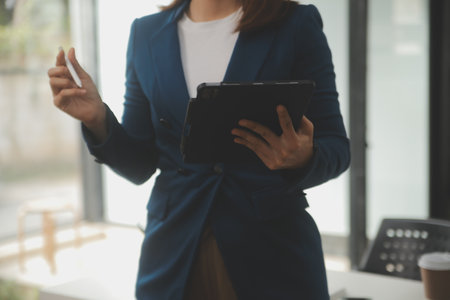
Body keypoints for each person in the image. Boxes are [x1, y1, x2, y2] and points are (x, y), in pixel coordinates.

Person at [48, 0, 350, 299]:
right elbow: (139, 165)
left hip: (273, 254)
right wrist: (97, 118)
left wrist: (303, 157)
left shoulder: (294, 22)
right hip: (172, 253)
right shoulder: (145, 33)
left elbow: (337, 148)